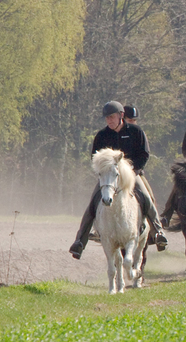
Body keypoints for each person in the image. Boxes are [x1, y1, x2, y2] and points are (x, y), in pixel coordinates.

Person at [69, 101, 168, 259]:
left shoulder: (136, 131)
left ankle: (158, 233)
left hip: (133, 175)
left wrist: (132, 171)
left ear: (121, 115)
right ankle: (80, 241)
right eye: (107, 118)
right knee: (93, 204)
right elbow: (95, 158)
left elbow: (144, 154)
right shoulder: (102, 136)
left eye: (112, 117)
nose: (109, 120)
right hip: (109, 177)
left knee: (147, 198)